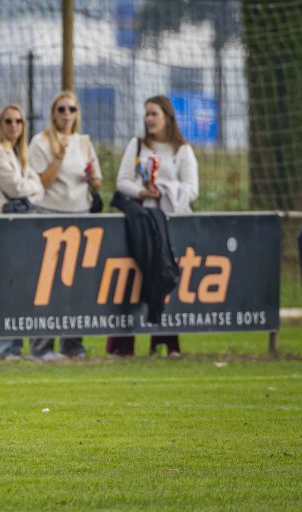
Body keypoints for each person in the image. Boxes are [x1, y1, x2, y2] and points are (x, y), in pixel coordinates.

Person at [108, 94, 199, 357]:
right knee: (132, 281)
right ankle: (122, 346)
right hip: (141, 225)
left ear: (167, 117)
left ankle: (165, 343)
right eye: (146, 114)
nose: (149, 119)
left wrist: (165, 191)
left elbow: (192, 189)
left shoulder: (182, 150)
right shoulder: (137, 145)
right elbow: (123, 181)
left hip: (169, 225)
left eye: (154, 114)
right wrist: (142, 193)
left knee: (164, 277)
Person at [0, 104, 59, 361]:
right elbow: (16, 189)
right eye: (8, 121)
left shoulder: (16, 153)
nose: (14, 126)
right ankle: (3, 349)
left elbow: (37, 189)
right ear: (0, 124)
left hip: (17, 230)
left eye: (18, 122)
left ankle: (14, 348)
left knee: (20, 288)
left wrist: (31, 187)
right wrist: (31, 187)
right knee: (3, 288)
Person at [28, 90, 103, 358]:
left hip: (81, 216)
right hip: (50, 217)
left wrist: (94, 180)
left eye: (71, 109)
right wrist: (58, 158)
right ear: (53, 113)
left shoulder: (83, 142)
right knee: (47, 285)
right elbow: (39, 184)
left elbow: (97, 180)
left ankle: (72, 345)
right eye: (62, 109)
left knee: (77, 284)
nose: (67, 114)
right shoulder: (40, 142)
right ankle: (42, 347)